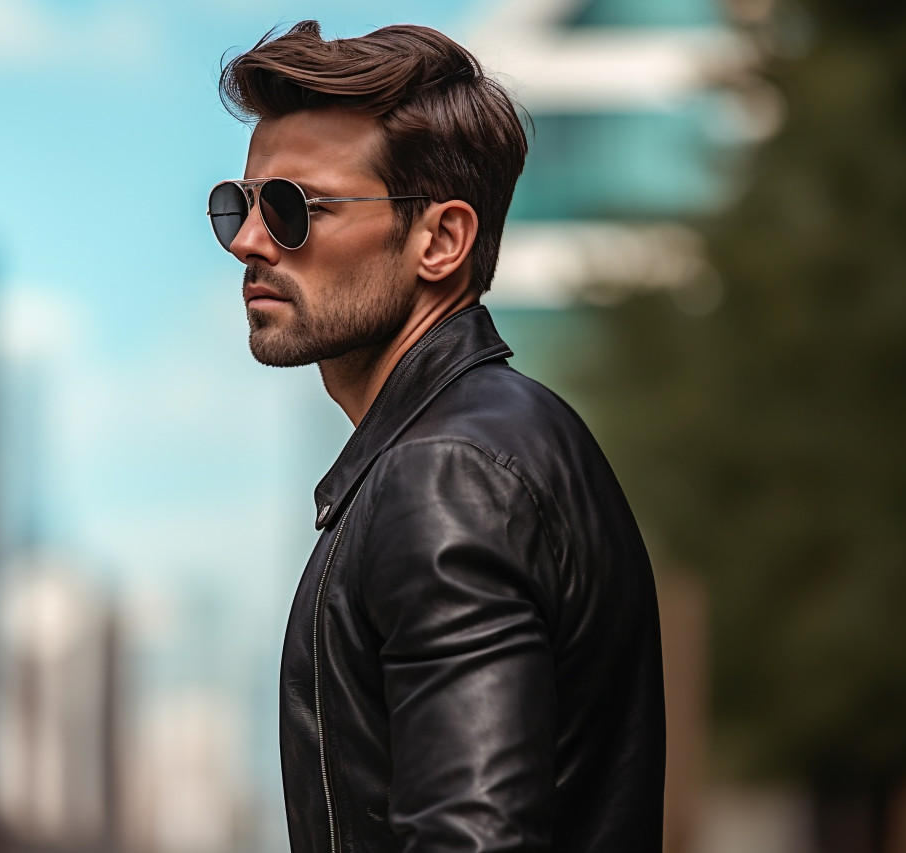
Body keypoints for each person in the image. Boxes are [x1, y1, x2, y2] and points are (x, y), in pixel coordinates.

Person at [209, 21, 665, 853]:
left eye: (294, 209)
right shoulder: (481, 444)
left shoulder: (445, 474)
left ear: (442, 240)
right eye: (239, 205)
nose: (247, 241)